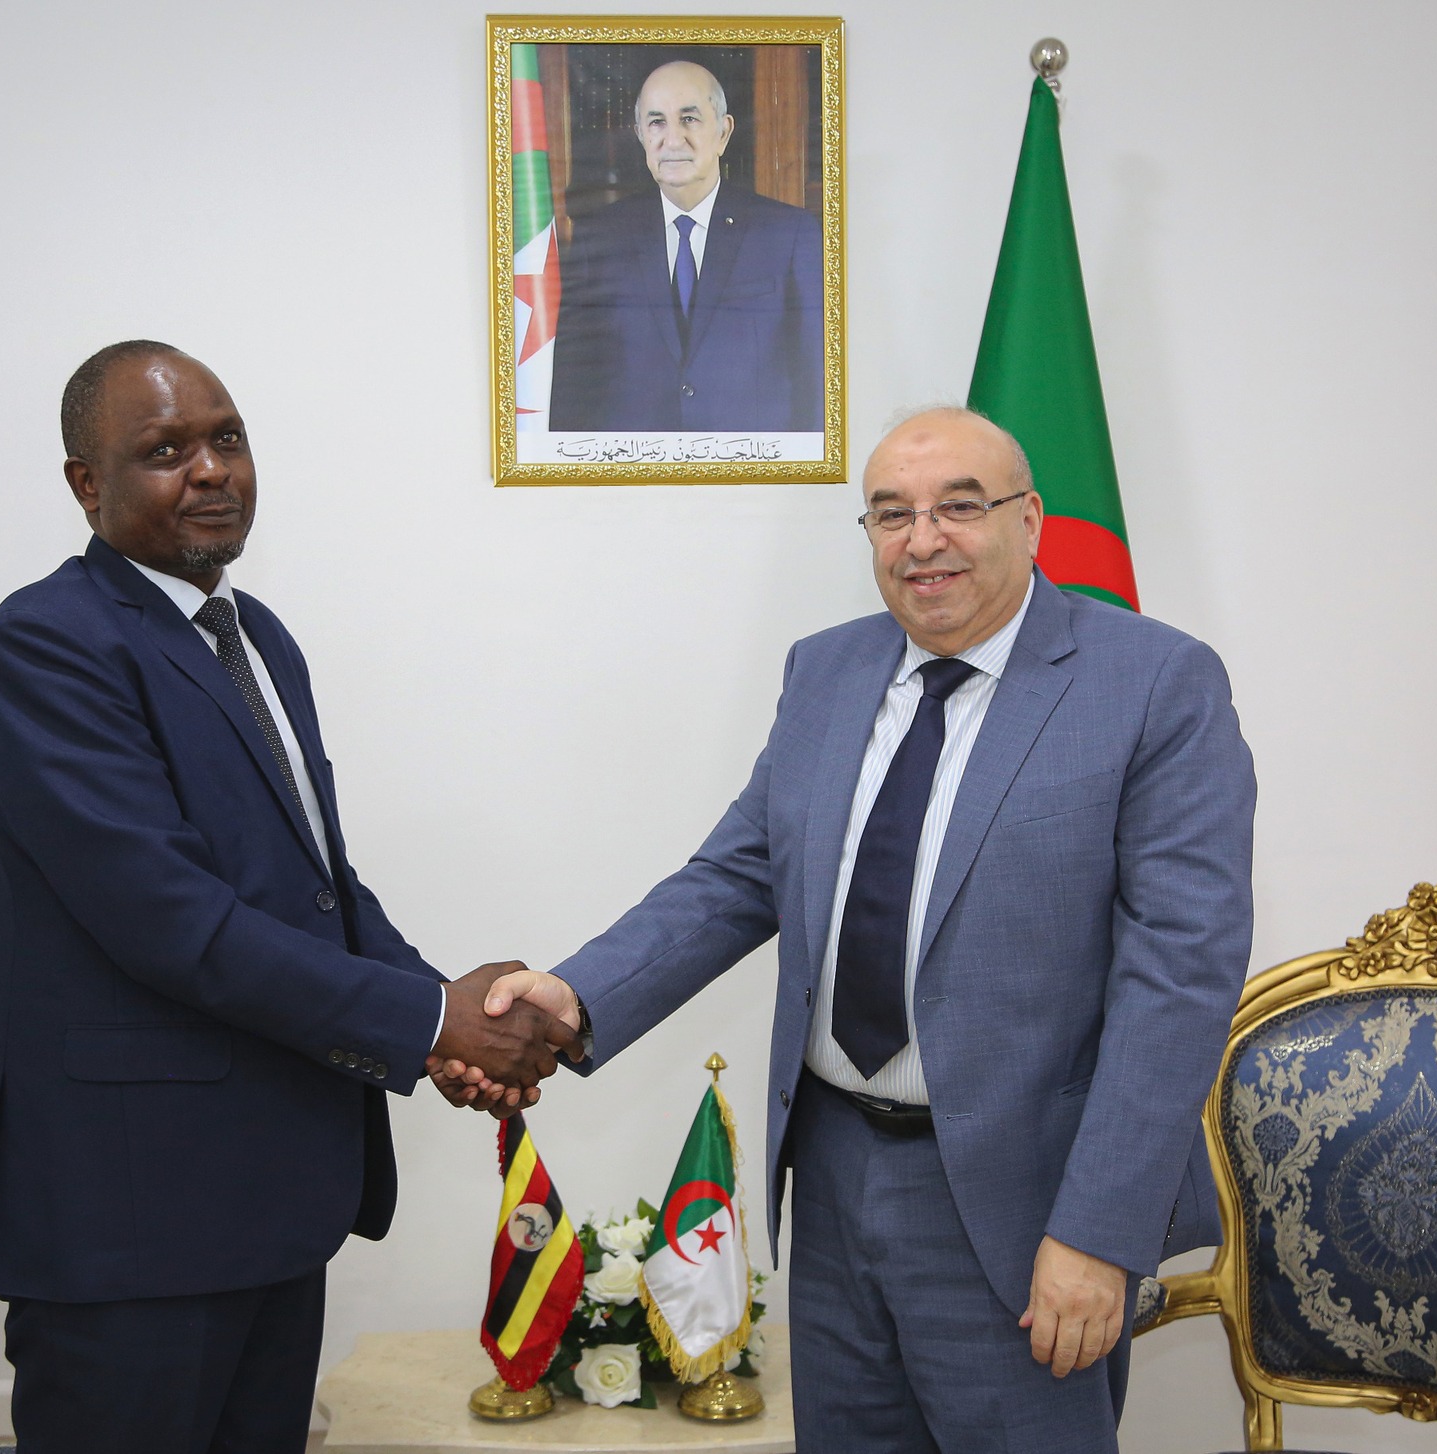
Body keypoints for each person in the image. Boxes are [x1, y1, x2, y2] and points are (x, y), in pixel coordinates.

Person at [447, 408, 1255, 1451]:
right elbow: (740, 874)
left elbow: (1177, 979)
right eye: (891, 513)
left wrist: (1098, 1230)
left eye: (959, 506)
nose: (923, 540)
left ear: (1029, 520)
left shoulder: (1152, 682)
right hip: (831, 1174)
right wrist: (573, 994)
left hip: (1022, 1203)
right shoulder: (825, 669)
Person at [0, 341, 574, 1453]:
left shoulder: (255, 637)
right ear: (86, 485)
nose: (209, 470)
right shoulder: (49, 643)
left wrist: (440, 1011)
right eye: (164, 451)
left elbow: (316, 885)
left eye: (227, 439)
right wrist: (430, 1020)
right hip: (131, 1219)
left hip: (271, 1199)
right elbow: (172, 922)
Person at [546, 59, 824, 433]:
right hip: (634, 464)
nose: (673, 140)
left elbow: (816, 381)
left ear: (723, 132)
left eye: (689, 119)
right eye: (657, 122)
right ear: (640, 135)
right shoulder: (600, 237)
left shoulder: (787, 234)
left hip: (751, 464)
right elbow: (573, 386)